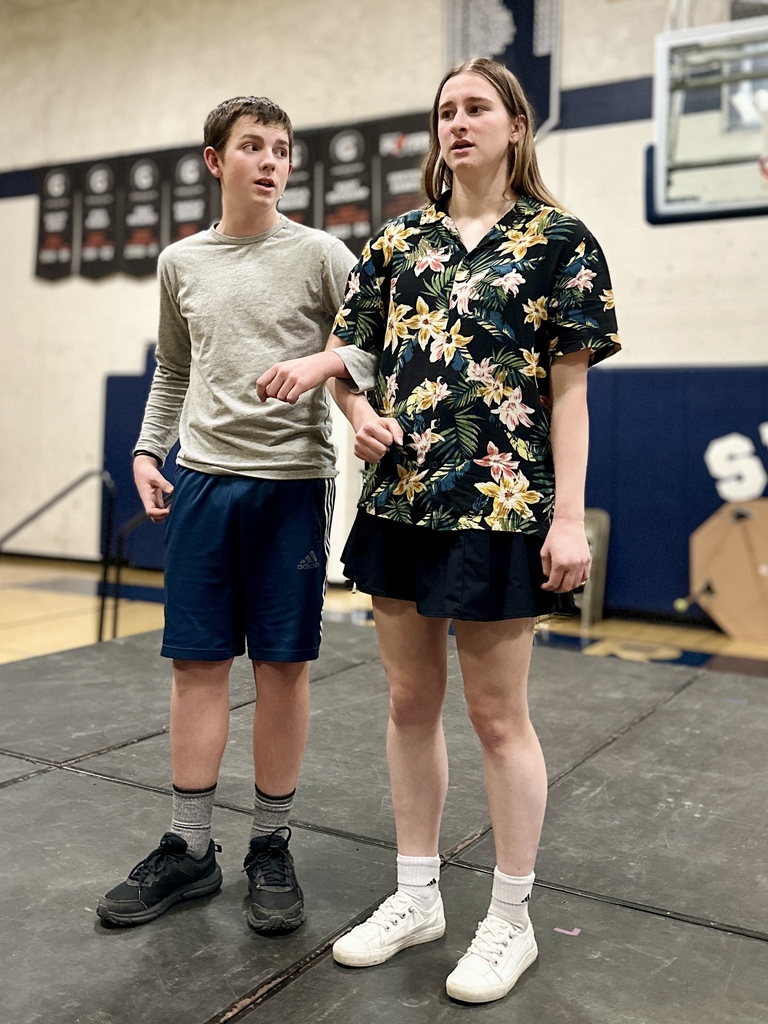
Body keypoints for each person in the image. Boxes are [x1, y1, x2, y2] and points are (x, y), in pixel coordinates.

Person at [257, 58, 620, 1001]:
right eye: (445, 111)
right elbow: (357, 354)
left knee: (500, 718)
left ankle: (510, 918)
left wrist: (569, 519)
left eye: (476, 109)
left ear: (515, 124)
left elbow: (571, 393)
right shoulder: (396, 240)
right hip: (402, 503)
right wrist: (343, 400)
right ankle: (417, 894)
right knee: (408, 706)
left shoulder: (561, 242)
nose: (457, 124)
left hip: (504, 506)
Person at [97, 96, 356, 933]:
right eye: (253, 147)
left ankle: (271, 847)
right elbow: (174, 371)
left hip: (292, 483)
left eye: (282, 148)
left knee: (282, 667)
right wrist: (146, 451)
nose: (271, 161)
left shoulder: (321, 254)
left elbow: (368, 346)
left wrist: (327, 374)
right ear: (216, 161)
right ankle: (190, 847)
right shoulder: (181, 262)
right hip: (204, 482)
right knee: (198, 665)